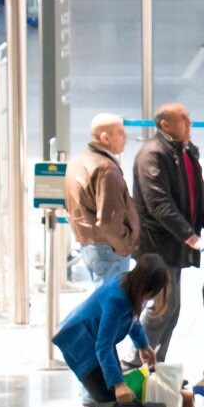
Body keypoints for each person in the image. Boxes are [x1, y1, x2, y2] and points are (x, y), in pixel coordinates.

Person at [132, 103, 204, 360]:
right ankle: (134, 361)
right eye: (183, 119)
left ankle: (156, 365)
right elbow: (159, 203)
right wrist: (190, 236)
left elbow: (199, 192)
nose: (189, 123)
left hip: (174, 245)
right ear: (165, 124)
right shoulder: (153, 155)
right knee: (162, 308)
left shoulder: (185, 152)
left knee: (172, 309)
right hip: (157, 247)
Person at [52, 257, 169, 407]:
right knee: (110, 402)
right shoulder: (117, 298)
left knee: (118, 400)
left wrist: (143, 345)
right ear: (148, 288)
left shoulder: (132, 284)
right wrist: (118, 384)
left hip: (97, 338)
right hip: (80, 340)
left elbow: (131, 318)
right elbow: (103, 346)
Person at [67, 114, 140, 284]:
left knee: (102, 300)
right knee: (112, 303)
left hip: (90, 244)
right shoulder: (105, 169)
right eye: (121, 133)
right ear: (105, 137)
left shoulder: (78, 161)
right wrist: (124, 246)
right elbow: (109, 220)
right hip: (109, 248)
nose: (126, 138)